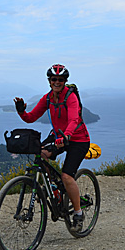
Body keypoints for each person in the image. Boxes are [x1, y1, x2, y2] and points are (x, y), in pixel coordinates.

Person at [13, 64, 90, 232]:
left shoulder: (70, 97)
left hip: (78, 139)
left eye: (60, 80)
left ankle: (77, 214)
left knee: (67, 176)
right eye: (54, 79)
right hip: (59, 136)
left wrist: (67, 135)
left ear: (65, 81)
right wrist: (21, 111)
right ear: (49, 81)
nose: (57, 82)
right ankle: (54, 190)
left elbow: (74, 119)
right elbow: (31, 117)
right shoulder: (47, 98)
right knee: (41, 154)